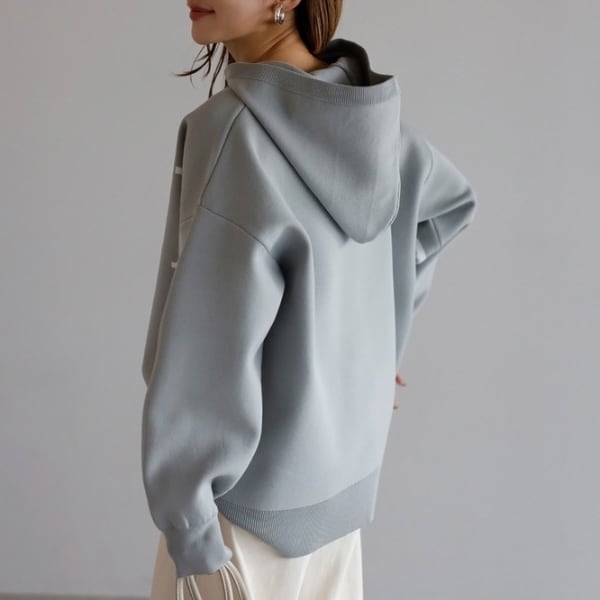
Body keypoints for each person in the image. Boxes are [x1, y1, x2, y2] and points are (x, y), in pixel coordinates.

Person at [140, 1, 478, 598]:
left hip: (233, 525)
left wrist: (189, 527)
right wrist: (382, 346)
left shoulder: (233, 133)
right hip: (339, 515)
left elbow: (207, 355)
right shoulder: (370, 123)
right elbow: (444, 209)